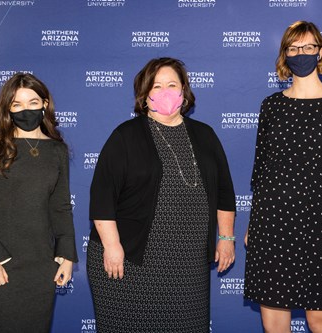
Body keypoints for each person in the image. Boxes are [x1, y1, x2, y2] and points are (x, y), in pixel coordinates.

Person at [87, 57, 236, 333]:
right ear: (145, 95)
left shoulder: (205, 136)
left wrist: (226, 238)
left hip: (188, 266)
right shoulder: (125, 136)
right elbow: (102, 196)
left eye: (172, 84)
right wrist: (112, 246)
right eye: (157, 86)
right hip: (129, 260)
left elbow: (225, 193)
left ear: (184, 91)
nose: (165, 92)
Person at [244, 21, 322, 333]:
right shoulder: (271, 106)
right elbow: (260, 172)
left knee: (320, 318)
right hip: (270, 222)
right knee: (273, 318)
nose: (301, 53)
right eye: (293, 48)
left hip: (316, 223)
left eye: (308, 47)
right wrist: (253, 225)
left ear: (321, 52)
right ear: (284, 55)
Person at [0, 73, 78, 333]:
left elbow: (61, 206)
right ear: (7, 109)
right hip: (1, 262)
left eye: (33, 102)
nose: (26, 110)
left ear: (44, 104)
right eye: (17, 104)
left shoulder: (57, 151)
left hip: (41, 264)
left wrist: (66, 255)